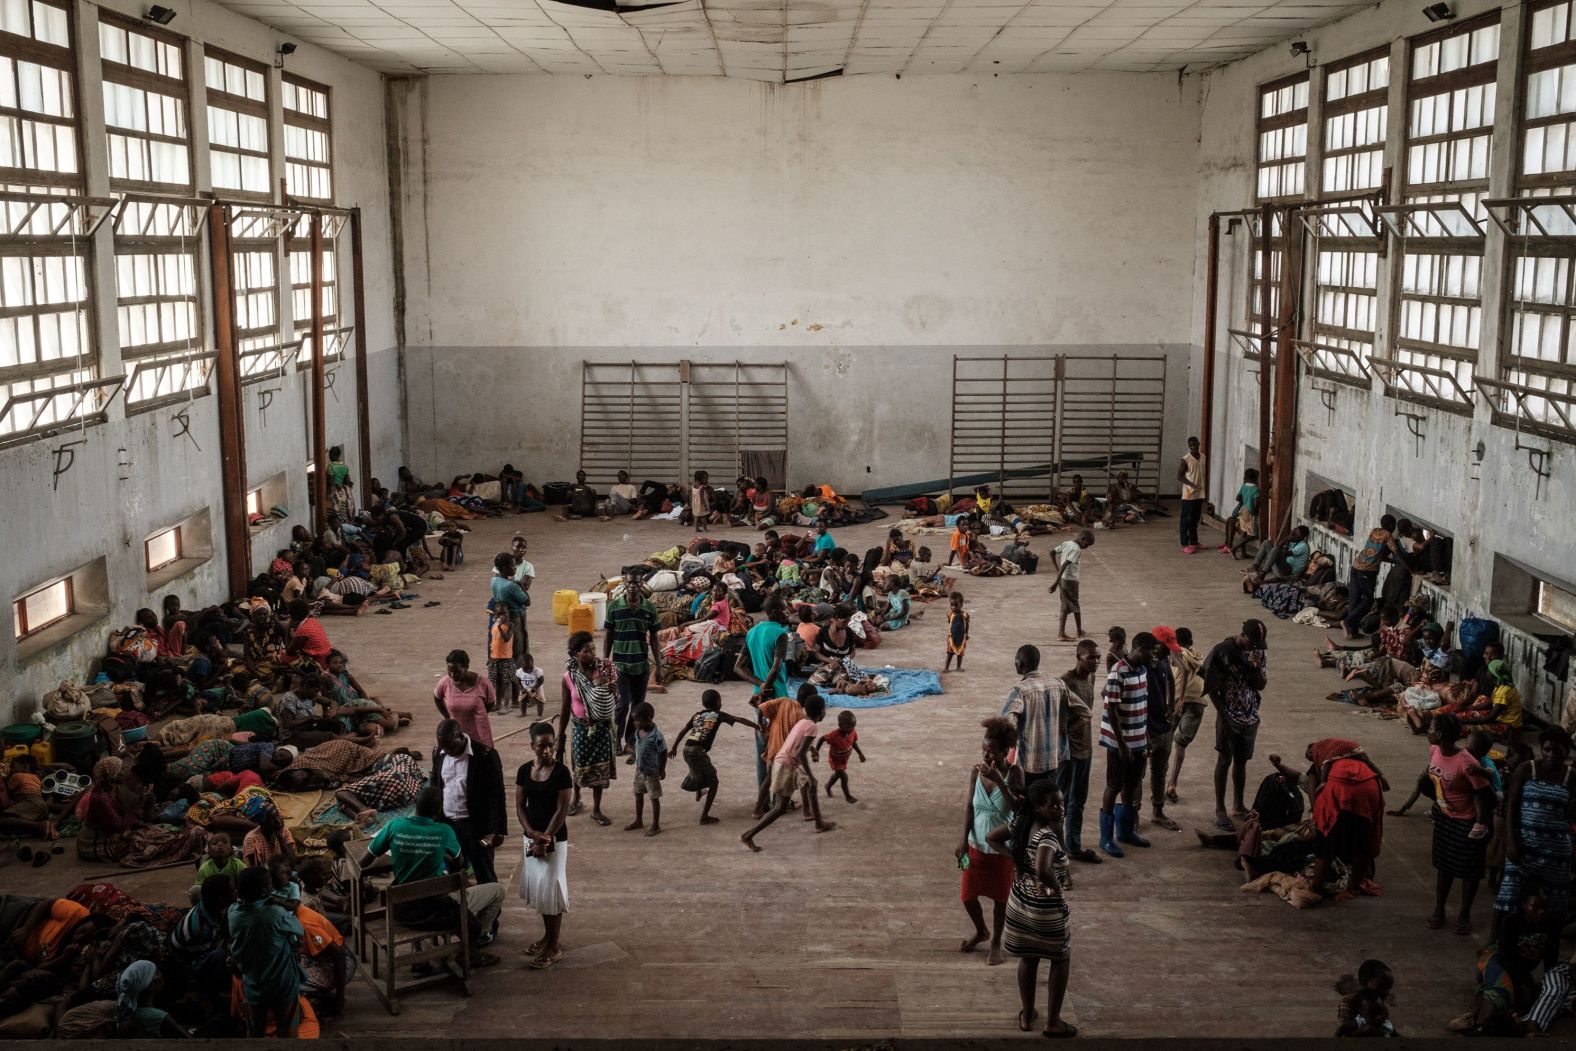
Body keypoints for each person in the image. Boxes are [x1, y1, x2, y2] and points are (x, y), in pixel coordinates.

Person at [359, 787, 503, 967]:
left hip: (401, 910)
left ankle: (419, 957)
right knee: (497, 891)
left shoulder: (395, 826)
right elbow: (459, 862)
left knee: (410, 884)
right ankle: (470, 947)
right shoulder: (444, 831)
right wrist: (438, 852)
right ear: (439, 810)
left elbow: (364, 860)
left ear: (415, 806)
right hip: (439, 912)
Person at [989, 778, 1076, 1038]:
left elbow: (992, 838)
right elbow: (1042, 867)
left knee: (1029, 956)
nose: (1060, 809)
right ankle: (1053, 1022)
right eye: (1054, 805)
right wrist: (1053, 887)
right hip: (1045, 908)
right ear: (1038, 807)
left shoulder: (1021, 824)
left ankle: (1027, 1015)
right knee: (1060, 958)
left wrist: (1017, 862)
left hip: (1019, 902)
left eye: (1061, 803)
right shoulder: (1047, 835)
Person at [1394, 713, 1493, 934]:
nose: (1428, 731)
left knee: (1469, 871)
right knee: (1444, 866)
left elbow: (1482, 794)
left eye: (1430, 728)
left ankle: (1464, 914)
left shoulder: (1466, 761)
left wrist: (1480, 824)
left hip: (1467, 822)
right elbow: (1430, 780)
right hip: (1445, 819)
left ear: (1439, 734)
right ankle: (1439, 909)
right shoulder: (1435, 750)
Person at [957, 716, 1022, 967]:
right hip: (976, 845)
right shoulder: (976, 771)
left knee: (1000, 900)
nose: (985, 756)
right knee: (967, 896)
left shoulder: (1015, 773)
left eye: (991, 752)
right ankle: (981, 930)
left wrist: (999, 782)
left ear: (1005, 752)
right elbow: (970, 808)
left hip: (1002, 849)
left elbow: (1019, 808)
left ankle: (996, 941)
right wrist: (963, 840)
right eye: (983, 750)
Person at [1494, 726, 1573, 929]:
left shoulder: (1571, 776)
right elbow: (1512, 805)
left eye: (1557, 751)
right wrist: (1510, 840)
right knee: (1508, 896)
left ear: (1567, 751)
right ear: (1541, 748)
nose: (1551, 755)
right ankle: (1494, 941)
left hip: (1556, 850)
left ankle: (1548, 950)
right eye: (1547, 749)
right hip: (1524, 845)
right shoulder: (1527, 769)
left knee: (1554, 903)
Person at [741, 692, 835, 851]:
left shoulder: (803, 722)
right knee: (780, 808)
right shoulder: (812, 727)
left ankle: (819, 823)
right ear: (820, 712)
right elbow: (800, 754)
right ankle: (748, 836)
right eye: (824, 709)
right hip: (786, 765)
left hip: (785, 761)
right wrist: (810, 775)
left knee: (811, 786)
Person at [514, 722, 573, 970]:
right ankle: (547, 937)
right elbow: (520, 805)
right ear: (532, 746)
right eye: (542, 746)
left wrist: (545, 837)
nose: (547, 750)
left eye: (551, 745)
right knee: (541, 890)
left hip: (554, 840)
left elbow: (563, 809)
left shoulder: (561, 773)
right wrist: (530, 832)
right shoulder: (524, 771)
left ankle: (554, 946)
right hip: (531, 837)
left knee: (551, 890)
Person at [1206, 619, 1268, 831]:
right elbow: (1211, 688)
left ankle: (1238, 805)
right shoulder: (1224, 652)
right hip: (1229, 714)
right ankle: (1220, 809)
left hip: (1250, 715)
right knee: (1224, 760)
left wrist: (1255, 666)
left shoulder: (1257, 653)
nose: (1255, 648)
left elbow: (1261, 684)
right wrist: (1223, 715)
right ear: (1243, 636)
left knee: (1241, 761)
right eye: (1252, 643)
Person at [228, 865, 304, 1037]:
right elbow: (298, 929)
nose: (273, 888)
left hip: (253, 982)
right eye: (270, 885)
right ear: (264, 891)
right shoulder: (275, 913)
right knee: (287, 1030)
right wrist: (276, 903)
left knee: (256, 1030)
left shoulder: (233, 913)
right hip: (281, 982)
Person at [1097, 631, 1155, 858]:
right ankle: (1106, 838)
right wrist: (1122, 744)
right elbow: (1111, 709)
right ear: (1139, 648)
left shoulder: (1142, 671)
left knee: (1131, 786)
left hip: (1138, 739)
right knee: (1114, 785)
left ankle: (1125, 831)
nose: (1153, 656)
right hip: (1119, 742)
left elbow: (1142, 706)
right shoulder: (1118, 672)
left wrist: (1146, 737)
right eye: (1151, 651)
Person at [430, 718, 507, 887]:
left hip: (475, 826)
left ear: (460, 737)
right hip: (448, 825)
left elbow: (497, 795)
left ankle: (490, 910)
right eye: (443, 746)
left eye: (450, 746)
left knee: (484, 873)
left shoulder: (486, 755)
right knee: (453, 873)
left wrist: (496, 831)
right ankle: (458, 911)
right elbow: (435, 785)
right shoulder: (439, 753)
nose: (447, 750)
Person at [670, 689, 760, 824]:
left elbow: (683, 731)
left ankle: (699, 791)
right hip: (698, 752)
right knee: (714, 782)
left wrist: (674, 747)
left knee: (699, 771)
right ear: (718, 703)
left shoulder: (698, 715)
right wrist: (757, 726)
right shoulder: (718, 715)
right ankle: (704, 816)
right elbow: (739, 719)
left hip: (686, 750)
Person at [737, 598, 793, 812]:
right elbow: (777, 666)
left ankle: (763, 803)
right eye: (785, 609)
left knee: (762, 751)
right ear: (776, 612)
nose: (788, 612)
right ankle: (779, 801)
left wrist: (759, 686)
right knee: (780, 751)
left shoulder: (752, 632)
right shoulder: (780, 633)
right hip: (777, 699)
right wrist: (767, 687)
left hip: (758, 701)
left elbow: (738, 667)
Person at [558, 630, 618, 825]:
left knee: (600, 768)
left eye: (593, 649)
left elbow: (613, 699)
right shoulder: (569, 677)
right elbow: (566, 707)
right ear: (576, 653)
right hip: (580, 727)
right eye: (586, 651)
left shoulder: (603, 672)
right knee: (579, 766)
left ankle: (597, 809)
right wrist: (561, 736)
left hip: (600, 728)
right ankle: (576, 799)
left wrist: (613, 690)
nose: (592, 654)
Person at [606, 568, 663, 757]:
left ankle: (630, 741)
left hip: (641, 666)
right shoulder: (614, 607)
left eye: (636, 582)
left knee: (637, 707)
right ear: (625, 583)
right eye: (629, 582)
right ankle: (615, 740)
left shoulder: (649, 609)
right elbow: (609, 635)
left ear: (641, 584)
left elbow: (654, 638)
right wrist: (606, 662)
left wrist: (659, 665)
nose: (633, 586)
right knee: (621, 705)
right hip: (620, 666)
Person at [1058, 640, 1101, 864]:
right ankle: (1057, 851)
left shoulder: (1091, 679)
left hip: (1086, 749)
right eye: (1090, 658)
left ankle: (1073, 846)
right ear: (1078, 657)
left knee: (1079, 801)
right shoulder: (1065, 683)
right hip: (1068, 753)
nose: (1095, 662)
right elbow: (1060, 721)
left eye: (1097, 657)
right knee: (1061, 802)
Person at [1000, 644, 1064, 791]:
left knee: (1026, 806)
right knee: (1045, 803)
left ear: (1019, 664)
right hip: (1053, 761)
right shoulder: (1058, 684)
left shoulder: (1020, 690)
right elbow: (1083, 711)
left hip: (1028, 764)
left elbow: (1007, 723)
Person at [1145, 626, 1181, 832]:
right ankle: (1132, 814)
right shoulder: (1142, 664)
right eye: (1166, 647)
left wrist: (1171, 704)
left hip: (1163, 726)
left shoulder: (1165, 659)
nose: (1169, 651)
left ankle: (1157, 812)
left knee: (1160, 772)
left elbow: (1170, 678)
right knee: (1136, 774)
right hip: (1146, 728)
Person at [1164, 627, 1206, 804]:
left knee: (1166, 737)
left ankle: (1160, 774)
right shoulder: (1198, 655)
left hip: (1178, 700)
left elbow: (1181, 670)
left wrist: (1179, 698)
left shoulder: (1177, 653)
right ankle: (1172, 783)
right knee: (1180, 745)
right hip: (1197, 700)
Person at [1344, 515, 1398, 639]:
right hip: (1367, 571)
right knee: (1367, 601)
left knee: (1355, 599)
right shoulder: (1387, 535)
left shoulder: (1375, 531)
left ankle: (1352, 631)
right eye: (1394, 525)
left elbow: (1377, 553)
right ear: (1391, 525)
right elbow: (1396, 551)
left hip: (1356, 565)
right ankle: (1348, 622)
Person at [625, 701, 666, 836]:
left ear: (648, 719)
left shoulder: (656, 736)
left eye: (637, 720)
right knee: (638, 795)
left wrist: (662, 770)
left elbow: (663, 752)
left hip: (652, 773)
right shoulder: (638, 731)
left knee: (654, 798)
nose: (635, 723)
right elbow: (638, 747)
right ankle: (639, 820)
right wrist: (634, 756)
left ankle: (656, 825)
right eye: (634, 720)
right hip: (639, 771)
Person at [1047, 531, 1093, 641]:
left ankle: (1070, 631)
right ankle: (1070, 633)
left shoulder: (1067, 543)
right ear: (1082, 538)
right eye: (1087, 544)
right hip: (1071, 581)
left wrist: (1058, 573)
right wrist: (1055, 581)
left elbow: (1052, 552)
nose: (1086, 547)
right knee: (1072, 606)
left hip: (1064, 579)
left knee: (1066, 605)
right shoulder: (1076, 549)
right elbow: (1066, 564)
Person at [813, 710, 865, 804]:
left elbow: (854, 743)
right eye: (848, 727)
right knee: (844, 776)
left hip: (844, 759)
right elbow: (822, 739)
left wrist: (860, 754)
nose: (851, 729)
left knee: (837, 775)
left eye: (853, 726)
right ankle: (848, 796)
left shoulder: (852, 732)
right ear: (840, 725)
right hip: (835, 760)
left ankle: (828, 786)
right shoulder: (834, 735)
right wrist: (816, 752)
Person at [1219, 467, 1259, 559]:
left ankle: (1243, 553)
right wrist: (1254, 509)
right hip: (1249, 512)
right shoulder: (1256, 490)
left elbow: (1237, 497)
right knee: (1252, 534)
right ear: (1255, 478)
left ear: (1245, 478)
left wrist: (1244, 501)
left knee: (1244, 532)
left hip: (1242, 511)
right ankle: (1234, 548)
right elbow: (1257, 503)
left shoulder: (1244, 486)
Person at [1177, 435, 1206, 553]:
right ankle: (1185, 543)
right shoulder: (1185, 459)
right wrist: (1191, 484)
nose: (1193, 447)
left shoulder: (1203, 457)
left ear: (1199, 444)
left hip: (1199, 493)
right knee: (1186, 519)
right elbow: (1179, 476)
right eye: (1191, 445)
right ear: (1189, 446)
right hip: (1189, 494)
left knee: (1195, 518)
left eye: (1195, 444)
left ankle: (1194, 542)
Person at [487, 604, 517, 713]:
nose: (502, 616)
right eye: (499, 614)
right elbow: (492, 642)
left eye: (504, 613)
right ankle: (497, 703)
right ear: (495, 615)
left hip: (506, 659)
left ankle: (507, 706)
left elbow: (506, 638)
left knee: (507, 683)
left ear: (508, 613)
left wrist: (500, 627)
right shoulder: (494, 625)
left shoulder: (510, 625)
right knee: (496, 682)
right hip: (495, 658)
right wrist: (489, 657)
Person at [944, 591, 970, 673]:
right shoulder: (950, 614)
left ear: (961, 604)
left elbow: (967, 624)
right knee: (950, 653)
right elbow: (950, 623)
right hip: (952, 637)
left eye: (956, 605)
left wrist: (967, 634)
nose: (953, 607)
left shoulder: (965, 615)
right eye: (951, 605)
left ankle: (958, 667)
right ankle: (946, 667)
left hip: (961, 637)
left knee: (960, 653)